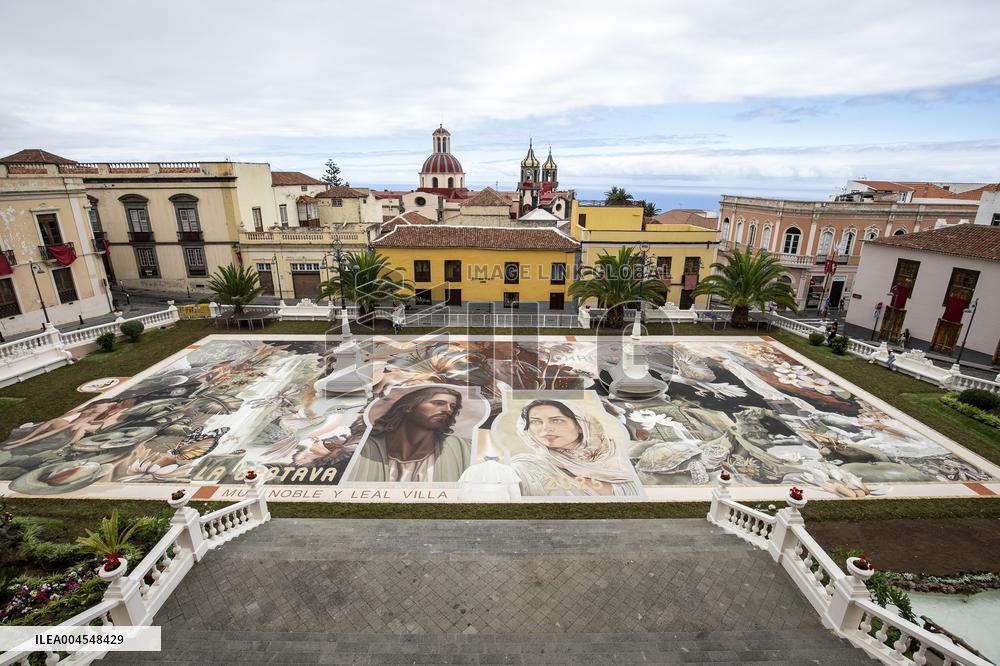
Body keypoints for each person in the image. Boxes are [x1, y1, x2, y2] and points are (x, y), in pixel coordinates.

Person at [510, 399, 640, 497]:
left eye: (556, 420)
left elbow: (633, 490)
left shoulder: (614, 454)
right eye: (536, 422)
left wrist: (573, 482)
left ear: (580, 425)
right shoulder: (526, 466)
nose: (545, 428)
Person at [349, 386, 471, 482]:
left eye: (452, 406)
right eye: (438, 403)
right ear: (408, 406)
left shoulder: (462, 449)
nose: (448, 410)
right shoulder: (364, 447)